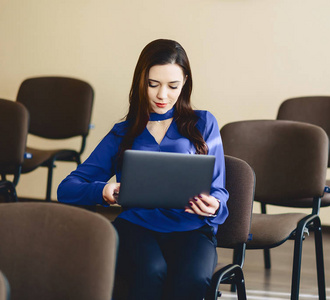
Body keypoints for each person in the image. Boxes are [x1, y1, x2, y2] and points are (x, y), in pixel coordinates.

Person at [57, 39, 229, 300]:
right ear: (141, 82)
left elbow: (218, 188)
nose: (162, 95)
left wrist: (214, 205)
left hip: (191, 228)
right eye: (153, 84)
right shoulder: (123, 133)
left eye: (173, 86)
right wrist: (103, 190)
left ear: (185, 83)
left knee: (192, 278)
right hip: (136, 228)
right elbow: (67, 188)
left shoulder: (203, 123)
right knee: (150, 270)